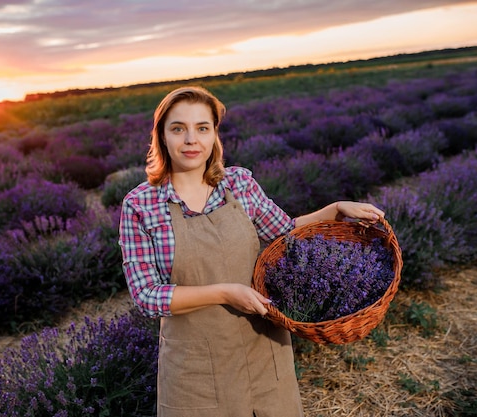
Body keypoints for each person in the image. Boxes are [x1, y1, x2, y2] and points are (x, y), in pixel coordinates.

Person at [118, 86, 385, 417]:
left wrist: (335, 208)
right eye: (178, 128)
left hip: (262, 349)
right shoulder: (141, 205)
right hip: (196, 368)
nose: (191, 140)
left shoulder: (239, 184)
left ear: (214, 134)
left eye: (202, 128)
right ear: (161, 136)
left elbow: (285, 232)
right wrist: (225, 293)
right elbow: (147, 295)